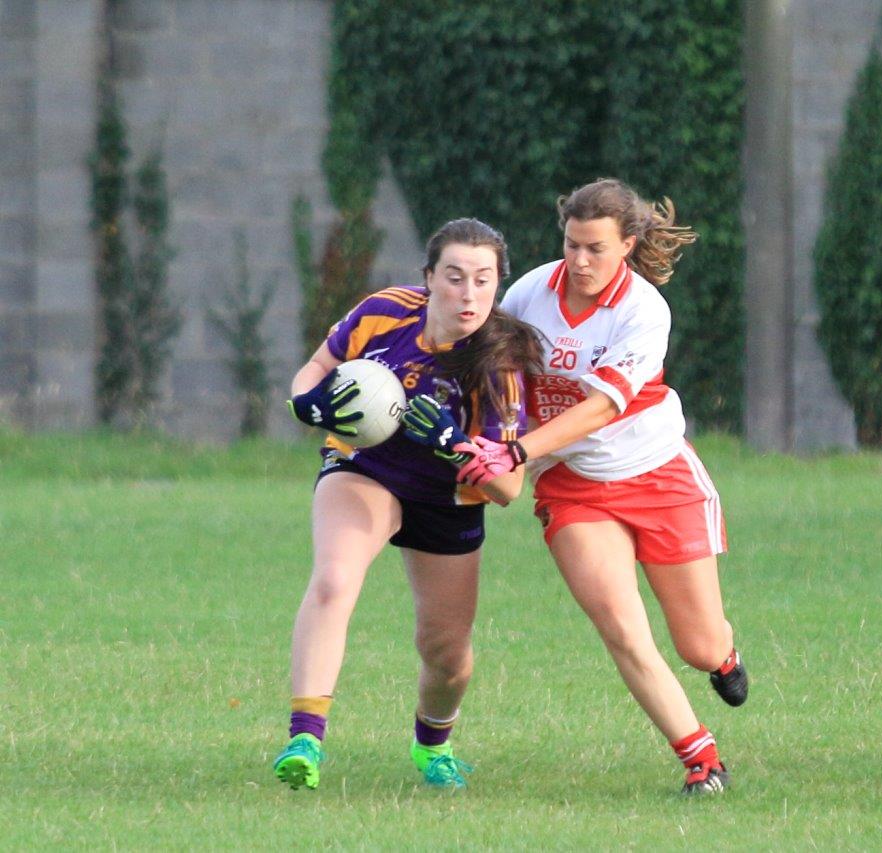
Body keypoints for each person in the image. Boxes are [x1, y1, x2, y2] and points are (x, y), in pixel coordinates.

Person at [454, 178, 748, 795]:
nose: (580, 261)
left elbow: (600, 408)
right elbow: (492, 368)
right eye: (571, 244)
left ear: (629, 244)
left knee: (697, 644)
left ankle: (723, 656)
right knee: (620, 624)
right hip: (572, 483)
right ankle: (702, 761)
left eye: (596, 249)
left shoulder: (644, 309)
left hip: (658, 471)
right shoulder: (532, 291)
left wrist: (516, 450)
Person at [272, 218, 543, 791]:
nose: (467, 295)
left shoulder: (498, 364)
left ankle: (433, 744)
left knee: (447, 653)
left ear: (498, 286)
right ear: (428, 278)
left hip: (448, 497)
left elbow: (509, 490)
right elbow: (317, 367)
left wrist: (455, 445)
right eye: (453, 277)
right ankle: (305, 738)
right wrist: (307, 405)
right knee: (334, 580)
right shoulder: (385, 311)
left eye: (482, 280)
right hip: (365, 467)